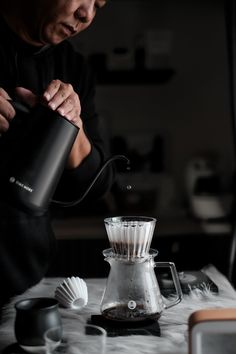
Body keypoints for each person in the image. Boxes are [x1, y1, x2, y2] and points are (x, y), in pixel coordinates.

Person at [0, 0, 115, 307]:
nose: (87, 15)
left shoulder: (73, 67)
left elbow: (94, 184)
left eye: (98, 6)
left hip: (27, 283)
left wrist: (71, 125)